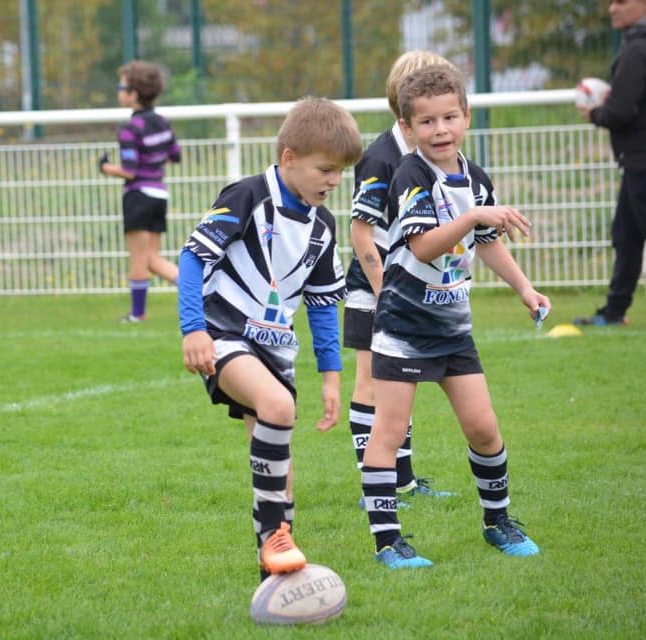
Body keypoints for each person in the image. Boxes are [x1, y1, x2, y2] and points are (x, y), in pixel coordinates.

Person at [361, 64, 549, 569]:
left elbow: (486, 243)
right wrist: (472, 216)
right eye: (427, 122)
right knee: (390, 431)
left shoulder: (475, 177)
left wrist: (525, 288)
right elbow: (423, 247)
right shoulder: (411, 175)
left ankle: (498, 523)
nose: (440, 130)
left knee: (483, 427)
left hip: (452, 330)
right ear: (408, 128)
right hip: (403, 328)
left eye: (449, 117)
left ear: (466, 117)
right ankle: (388, 543)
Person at [178, 97, 363, 579]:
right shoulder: (249, 196)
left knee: (280, 471)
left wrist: (331, 377)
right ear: (289, 158)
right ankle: (276, 542)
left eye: (341, 172)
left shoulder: (323, 225)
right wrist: (193, 329)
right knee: (278, 408)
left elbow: (322, 305)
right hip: (224, 333)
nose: (334, 181)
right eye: (325, 169)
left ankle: (273, 570)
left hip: (277, 349)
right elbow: (193, 256)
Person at [340, 50, 456, 508]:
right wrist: (382, 290)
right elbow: (361, 233)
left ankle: (402, 482)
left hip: (408, 291)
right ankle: (373, 486)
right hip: (374, 291)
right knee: (370, 383)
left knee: (398, 385)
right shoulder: (379, 157)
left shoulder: (430, 156)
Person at [573, 0, 646, 327]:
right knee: (626, 235)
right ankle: (614, 313)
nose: (612, 8)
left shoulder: (640, 48)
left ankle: (614, 313)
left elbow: (621, 111)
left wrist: (595, 113)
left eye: (621, 2)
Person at [99, 60, 182, 323]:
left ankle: (138, 313)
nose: (119, 91)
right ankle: (199, 291)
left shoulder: (130, 128)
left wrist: (105, 168)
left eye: (121, 87)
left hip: (139, 196)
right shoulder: (163, 122)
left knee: (139, 259)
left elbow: (130, 170)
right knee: (152, 258)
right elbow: (175, 155)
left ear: (133, 94)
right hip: (159, 195)